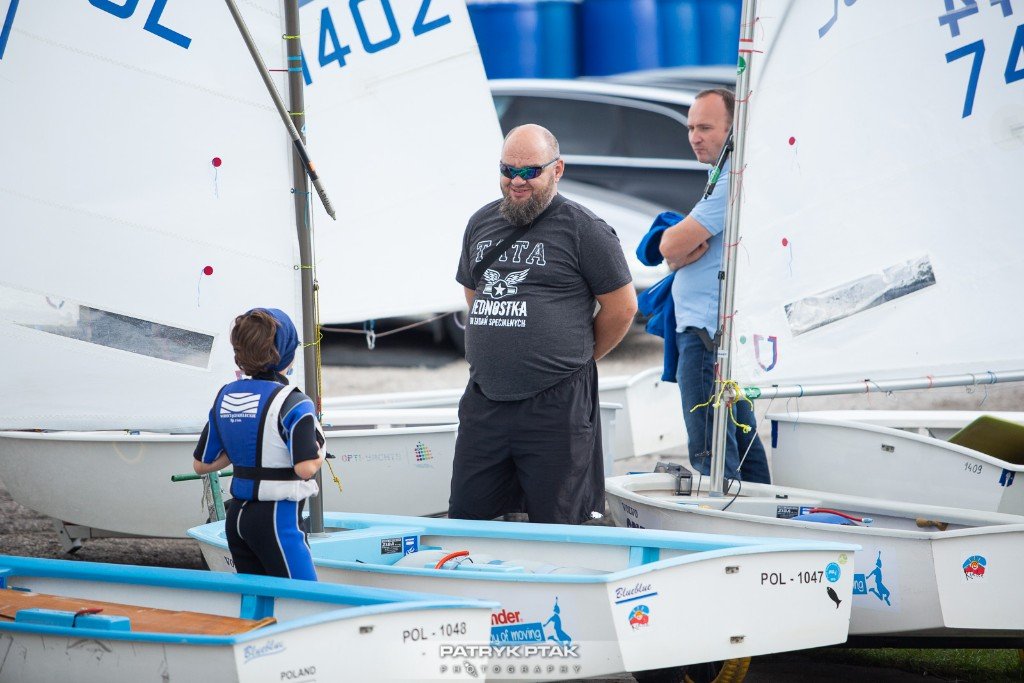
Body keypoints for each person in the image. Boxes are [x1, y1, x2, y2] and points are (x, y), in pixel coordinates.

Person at [449, 123, 637, 524]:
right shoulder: (481, 222)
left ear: (557, 170)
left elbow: (622, 308)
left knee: (559, 522)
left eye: (530, 171)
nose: (517, 181)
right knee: (469, 518)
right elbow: (473, 292)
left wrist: (575, 355)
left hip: (556, 405)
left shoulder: (584, 229)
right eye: (508, 170)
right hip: (485, 400)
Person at [658, 89, 771, 484]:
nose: (694, 137)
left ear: (733, 129)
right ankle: (763, 513)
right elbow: (676, 250)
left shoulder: (732, 180)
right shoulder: (722, 175)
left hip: (708, 338)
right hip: (716, 335)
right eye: (691, 127)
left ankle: (727, 518)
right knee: (741, 443)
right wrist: (676, 253)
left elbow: (670, 246)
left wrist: (674, 250)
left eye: (705, 127)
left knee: (712, 453)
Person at [193, 308, 326, 580]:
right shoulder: (294, 402)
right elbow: (305, 468)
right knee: (306, 596)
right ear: (286, 353)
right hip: (277, 519)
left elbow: (202, 464)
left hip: (236, 518)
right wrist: (320, 452)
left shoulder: (226, 395)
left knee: (256, 596)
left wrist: (242, 451)